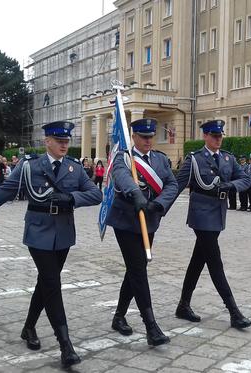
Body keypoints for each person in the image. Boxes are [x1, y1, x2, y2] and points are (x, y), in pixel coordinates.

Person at [0, 121, 102, 368]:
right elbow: (1, 193)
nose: (65, 145)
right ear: (47, 142)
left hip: (63, 233)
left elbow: (96, 195)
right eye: (60, 141)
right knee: (53, 283)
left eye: (67, 141)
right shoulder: (29, 166)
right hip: (38, 232)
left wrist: (71, 198)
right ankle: (65, 344)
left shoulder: (74, 168)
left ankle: (29, 327)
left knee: (45, 283)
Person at [105, 118, 178, 346]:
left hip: (150, 221)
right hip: (126, 221)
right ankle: (151, 326)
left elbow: (172, 185)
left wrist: (159, 204)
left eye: (150, 136)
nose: (148, 140)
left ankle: (119, 316)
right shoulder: (123, 157)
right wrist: (135, 193)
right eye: (143, 136)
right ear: (134, 136)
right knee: (138, 269)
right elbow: (122, 176)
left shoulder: (159, 159)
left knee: (136, 268)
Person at [175, 119, 251, 329]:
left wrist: (229, 185)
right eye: (214, 136)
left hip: (218, 216)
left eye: (220, 136)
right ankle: (234, 312)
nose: (218, 139)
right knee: (215, 263)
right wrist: (157, 209)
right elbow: (177, 186)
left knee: (197, 261)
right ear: (205, 136)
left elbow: (245, 179)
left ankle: (183, 305)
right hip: (201, 217)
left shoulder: (228, 158)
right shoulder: (194, 159)